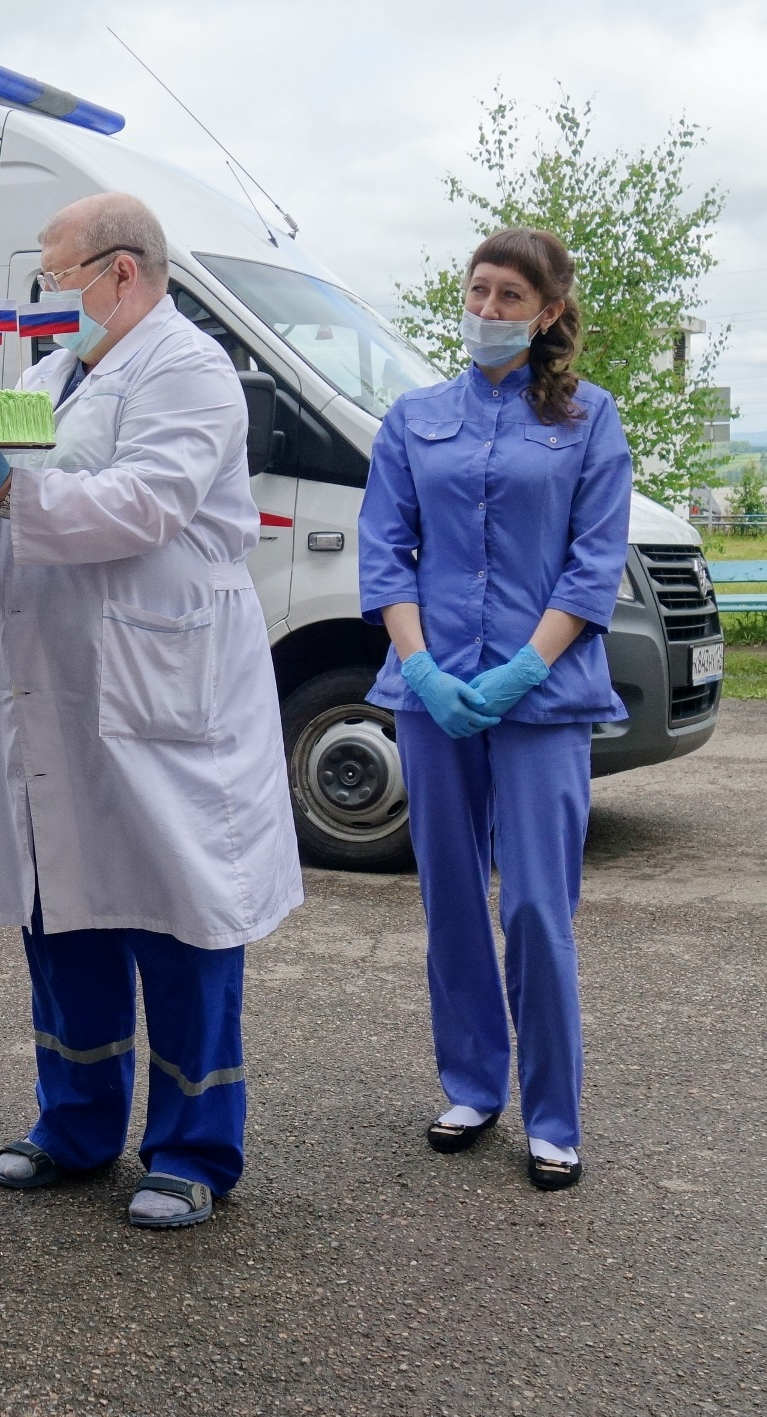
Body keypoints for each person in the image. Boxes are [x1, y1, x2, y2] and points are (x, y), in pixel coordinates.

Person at [0, 192, 303, 1228]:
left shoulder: (189, 371)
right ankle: (73, 1125)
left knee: (182, 922)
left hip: (162, 689)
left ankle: (192, 1149)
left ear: (122, 271)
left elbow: (142, 502)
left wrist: (8, 495)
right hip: (54, 689)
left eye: (58, 276)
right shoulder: (52, 375)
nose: (49, 298)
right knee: (62, 912)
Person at [357, 228, 632, 1192]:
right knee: (449, 899)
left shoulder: (590, 420)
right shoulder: (413, 417)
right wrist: (421, 668)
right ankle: (471, 1083)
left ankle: (552, 1115)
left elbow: (593, 564)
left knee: (534, 903)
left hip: (541, 697)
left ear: (549, 311)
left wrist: (522, 669)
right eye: (476, 291)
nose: (485, 312)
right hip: (430, 692)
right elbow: (386, 552)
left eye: (509, 297)